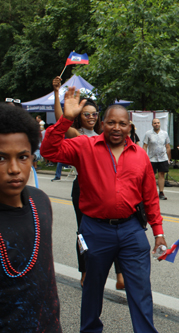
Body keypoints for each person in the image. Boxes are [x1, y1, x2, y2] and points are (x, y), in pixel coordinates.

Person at [41, 87, 167, 333]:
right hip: (95, 230)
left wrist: (158, 232)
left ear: (130, 127)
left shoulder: (140, 156)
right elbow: (48, 151)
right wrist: (66, 118)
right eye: (111, 122)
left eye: (122, 123)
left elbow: (151, 198)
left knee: (141, 289)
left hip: (132, 230)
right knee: (92, 288)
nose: (117, 128)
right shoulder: (83, 147)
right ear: (102, 123)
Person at [51, 76, 125, 289]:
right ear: (79, 117)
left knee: (118, 226)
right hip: (82, 187)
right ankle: (84, 271)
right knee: (84, 231)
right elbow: (59, 120)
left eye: (94, 114)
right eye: (86, 114)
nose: (91, 117)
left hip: (106, 186)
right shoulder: (77, 134)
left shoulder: (105, 134)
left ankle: (120, 274)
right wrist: (57, 95)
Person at [0, 103, 61, 332]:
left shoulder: (41, 202)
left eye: (23, 157)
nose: (14, 168)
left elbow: (47, 278)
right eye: (1, 158)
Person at [143, 118, 171, 200]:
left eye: (158, 123)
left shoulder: (164, 133)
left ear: (160, 124)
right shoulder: (148, 133)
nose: (157, 124)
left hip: (163, 157)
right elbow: (145, 146)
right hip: (152, 158)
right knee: (151, 176)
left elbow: (168, 146)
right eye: (155, 123)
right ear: (152, 124)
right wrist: (144, 157)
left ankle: (161, 192)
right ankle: (150, 193)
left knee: (161, 174)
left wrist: (169, 158)